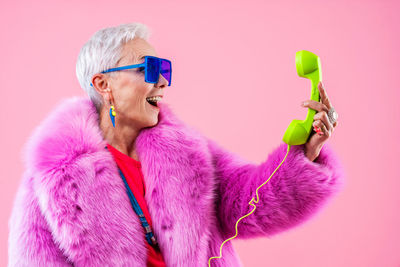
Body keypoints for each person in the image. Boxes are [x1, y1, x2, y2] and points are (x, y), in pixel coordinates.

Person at [8, 22, 344, 266]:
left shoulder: (189, 152)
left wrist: (307, 151)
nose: (163, 79)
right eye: (149, 68)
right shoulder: (50, 183)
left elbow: (253, 204)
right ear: (103, 84)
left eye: (164, 67)